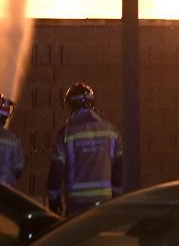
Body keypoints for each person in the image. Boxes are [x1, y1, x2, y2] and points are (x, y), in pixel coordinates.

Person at [46, 82, 123, 217]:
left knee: (78, 237)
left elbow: (56, 170)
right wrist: (116, 195)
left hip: (76, 203)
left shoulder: (66, 134)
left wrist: (53, 198)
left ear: (70, 105)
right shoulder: (111, 131)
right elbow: (119, 169)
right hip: (104, 201)